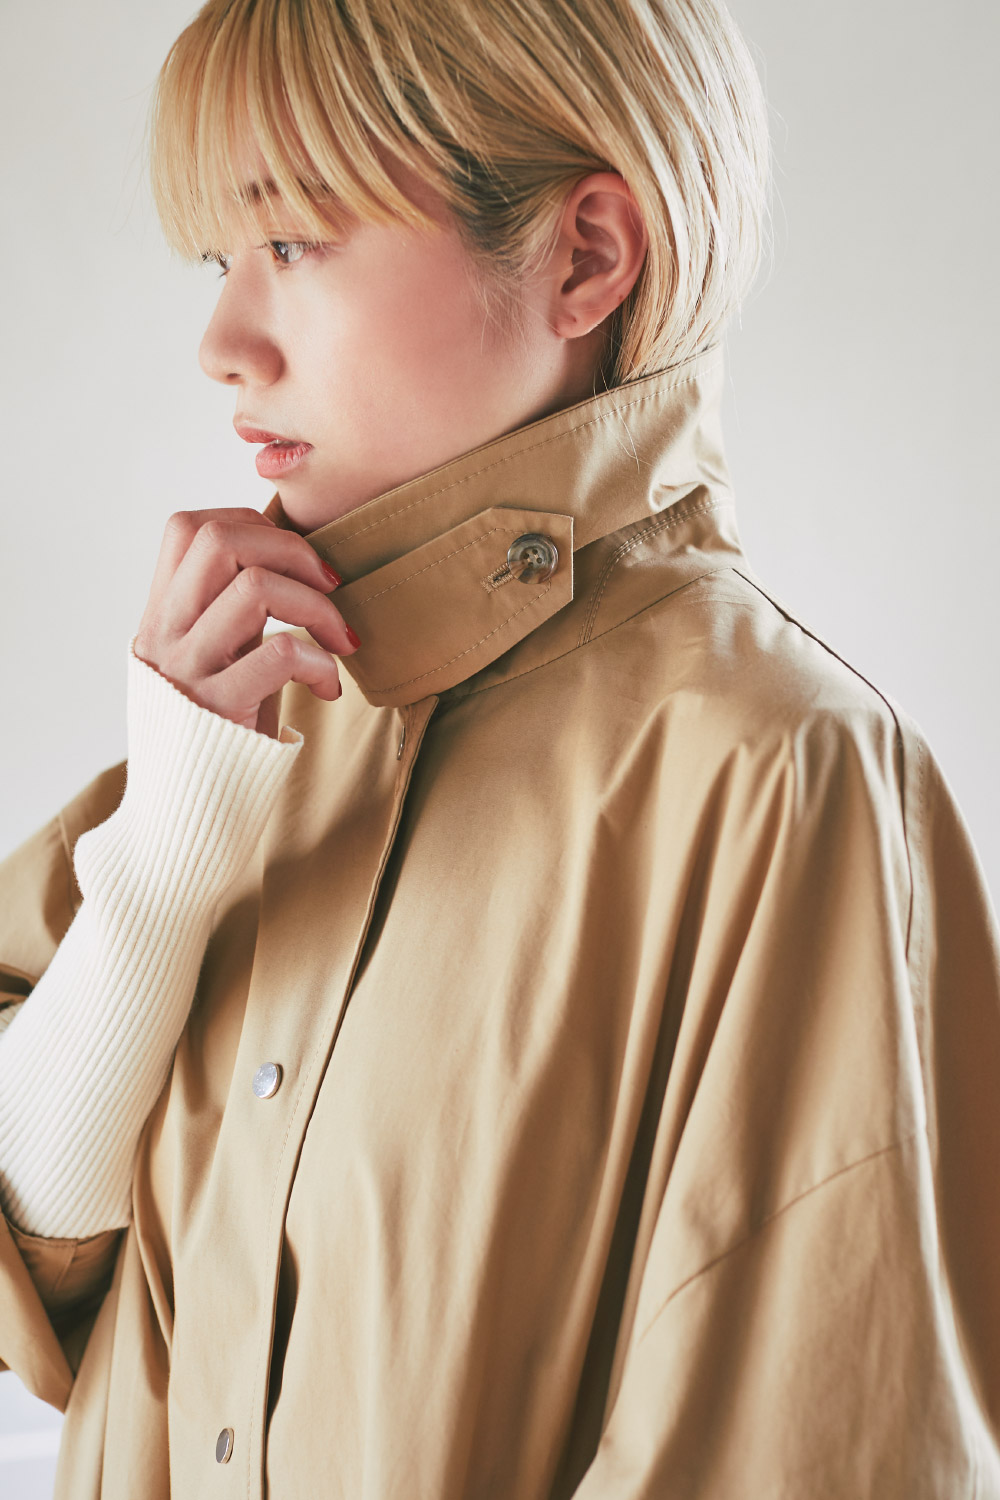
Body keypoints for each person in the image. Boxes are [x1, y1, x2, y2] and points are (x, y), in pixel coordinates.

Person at [1, 0, 998, 1494]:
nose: (221, 344)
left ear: (586, 257)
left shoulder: (782, 779)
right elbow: (34, 1261)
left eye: (296, 242)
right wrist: (156, 873)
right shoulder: (238, 740)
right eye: (222, 259)